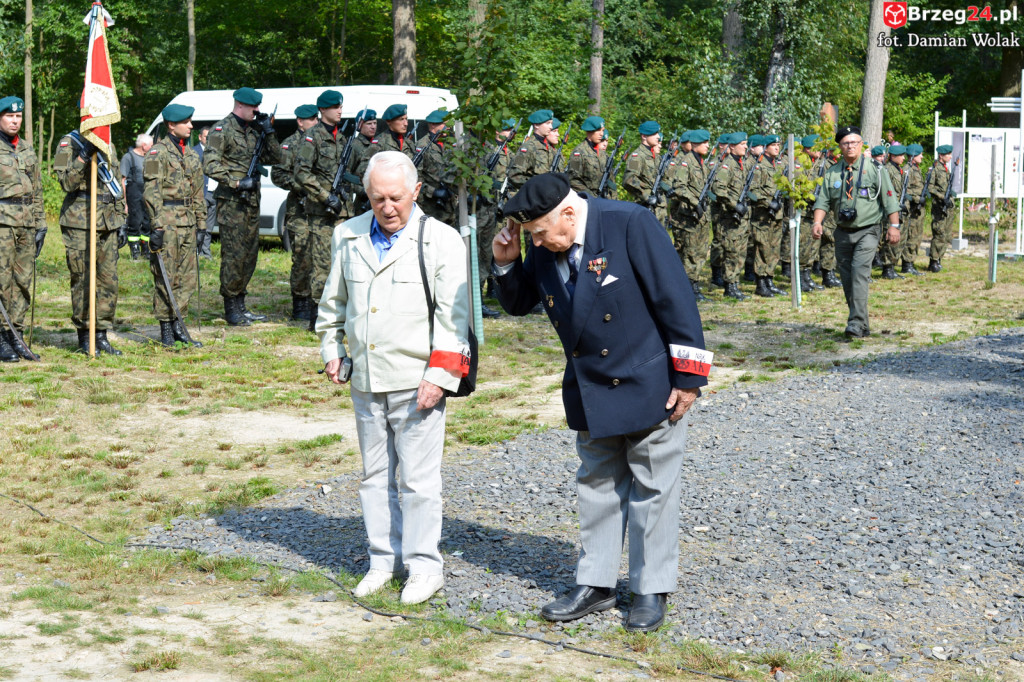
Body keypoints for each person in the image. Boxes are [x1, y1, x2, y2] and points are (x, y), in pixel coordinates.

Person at [491, 173, 710, 632]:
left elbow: (675, 298)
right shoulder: (545, 240)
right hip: (589, 384)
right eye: (531, 236)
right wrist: (507, 264)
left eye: (539, 234)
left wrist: (689, 379)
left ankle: (650, 587)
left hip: (648, 380)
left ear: (568, 214)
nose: (537, 242)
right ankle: (596, 583)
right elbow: (518, 303)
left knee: (653, 487)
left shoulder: (629, 223)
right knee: (596, 485)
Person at [316, 151, 470, 605]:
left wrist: (439, 377)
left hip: (416, 379)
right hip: (365, 378)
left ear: (416, 192)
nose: (388, 207)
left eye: (397, 198)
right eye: (378, 198)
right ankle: (382, 561)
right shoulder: (347, 235)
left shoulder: (440, 240)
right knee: (374, 477)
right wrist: (332, 351)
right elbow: (333, 304)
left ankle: (424, 567)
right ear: (367, 195)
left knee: (419, 482)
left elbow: (454, 318)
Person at [202, 86, 282, 326]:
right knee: (234, 255)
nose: (257, 111)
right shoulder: (222, 129)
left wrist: (268, 132)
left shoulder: (254, 131)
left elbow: (276, 158)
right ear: (240, 105)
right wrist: (236, 181)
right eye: (253, 107)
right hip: (232, 201)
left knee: (249, 255)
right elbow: (210, 163)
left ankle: (241, 303)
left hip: (252, 201)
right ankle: (231, 306)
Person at [811, 126, 900, 339]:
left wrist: (894, 226)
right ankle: (862, 324)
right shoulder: (832, 172)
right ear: (840, 147)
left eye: (854, 142)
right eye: (845, 143)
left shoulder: (876, 169)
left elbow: (889, 199)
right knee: (848, 278)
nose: (850, 146)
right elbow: (823, 200)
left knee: (860, 273)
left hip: (868, 230)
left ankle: (855, 322)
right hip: (841, 231)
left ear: (861, 145)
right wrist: (817, 222)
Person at [54, 128, 127, 355]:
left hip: (108, 220)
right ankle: (85, 335)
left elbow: (115, 184)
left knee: (108, 281)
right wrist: (82, 157)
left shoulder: (108, 144)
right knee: (83, 279)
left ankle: (101, 333)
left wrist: (121, 218)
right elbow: (66, 183)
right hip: (80, 220)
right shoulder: (68, 144)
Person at [143, 104, 206, 348]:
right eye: (186, 122)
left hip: (188, 222)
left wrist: (201, 226)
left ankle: (180, 324)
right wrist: (156, 227)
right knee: (166, 276)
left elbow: (198, 192)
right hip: (167, 221)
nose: (191, 126)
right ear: (171, 125)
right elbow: (151, 191)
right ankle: (166, 330)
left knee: (187, 278)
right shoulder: (157, 153)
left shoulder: (190, 154)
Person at [294, 89, 353, 332]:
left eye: (340, 106)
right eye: (335, 107)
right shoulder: (313, 137)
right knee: (321, 266)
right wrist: (324, 196)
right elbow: (301, 173)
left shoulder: (342, 138)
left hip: (343, 212)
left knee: (343, 262)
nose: (339, 110)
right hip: (321, 214)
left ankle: (340, 313)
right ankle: (317, 317)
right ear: (323, 110)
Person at [0, 95, 46, 362]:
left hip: (27, 224)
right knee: (1, 282)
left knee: (22, 281)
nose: (15, 120)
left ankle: (15, 335)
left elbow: (37, 190)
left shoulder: (28, 149)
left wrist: (40, 223)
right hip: (3, 223)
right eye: (9, 116)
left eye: (18, 116)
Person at [271, 104, 319, 321]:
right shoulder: (289, 145)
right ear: (300, 122)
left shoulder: (319, 141)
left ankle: (315, 301)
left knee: (319, 256)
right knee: (301, 255)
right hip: (299, 209)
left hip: (319, 208)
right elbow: (278, 175)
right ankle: (300, 302)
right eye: (311, 119)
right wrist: (299, 186)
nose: (315, 122)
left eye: (317, 118)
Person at [669, 129, 712, 302]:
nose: (708, 145)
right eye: (704, 143)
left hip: (699, 216)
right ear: (694, 144)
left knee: (700, 253)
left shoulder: (701, 163)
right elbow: (678, 188)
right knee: (689, 253)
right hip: (687, 217)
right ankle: (688, 288)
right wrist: (695, 202)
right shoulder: (686, 163)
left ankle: (693, 284)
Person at [711, 132, 751, 299]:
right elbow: (718, 189)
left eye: (746, 143)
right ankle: (729, 285)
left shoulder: (741, 164)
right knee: (732, 252)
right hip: (730, 217)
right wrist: (734, 204)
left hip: (742, 217)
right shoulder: (727, 165)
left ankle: (735, 284)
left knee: (741, 252)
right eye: (742, 144)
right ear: (732, 146)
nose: (746, 147)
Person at [749, 134, 786, 296]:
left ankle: (769, 279)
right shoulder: (759, 166)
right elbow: (753, 191)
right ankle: (760, 282)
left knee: (773, 249)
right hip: (763, 215)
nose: (777, 148)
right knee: (763, 248)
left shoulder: (777, 166)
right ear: (765, 147)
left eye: (778, 145)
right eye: (773, 145)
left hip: (777, 215)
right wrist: (768, 202)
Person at [414, 109, 456, 226]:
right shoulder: (423, 145)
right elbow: (416, 177)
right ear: (433, 124)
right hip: (431, 206)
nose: (448, 127)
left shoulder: (450, 144)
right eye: (444, 123)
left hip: (451, 204)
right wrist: (434, 192)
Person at [623, 121, 667, 225]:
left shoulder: (657, 157)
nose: (658, 137)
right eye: (654, 134)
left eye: (658, 133)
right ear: (644, 136)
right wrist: (646, 196)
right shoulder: (637, 156)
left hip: (660, 208)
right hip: (646, 207)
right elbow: (629, 180)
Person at [506, 109, 557, 195]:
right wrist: (536, 186)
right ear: (536, 125)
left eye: (551, 123)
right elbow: (514, 175)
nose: (551, 127)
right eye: (548, 123)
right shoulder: (526, 148)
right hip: (534, 198)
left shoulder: (550, 149)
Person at [120, 133, 153, 260]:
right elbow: (122, 180)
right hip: (134, 194)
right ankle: (134, 249)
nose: (152, 147)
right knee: (135, 222)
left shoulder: (149, 158)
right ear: (143, 145)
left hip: (147, 194)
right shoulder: (128, 157)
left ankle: (146, 249)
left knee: (147, 222)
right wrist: (124, 202)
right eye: (150, 145)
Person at [879, 144, 910, 280]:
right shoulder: (887, 170)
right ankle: (887, 268)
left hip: (898, 209)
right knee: (889, 240)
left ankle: (891, 266)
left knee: (897, 240)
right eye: (901, 155)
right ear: (893, 156)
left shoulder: (899, 170)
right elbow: (886, 191)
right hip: (890, 211)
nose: (904, 158)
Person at [927, 144, 955, 272]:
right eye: (948, 154)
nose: (950, 156)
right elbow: (930, 188)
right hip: (939, 206)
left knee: (946, 234)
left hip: (947, 206)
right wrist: (942, 197)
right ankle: (933, 261)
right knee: (939, 233)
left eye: (950, 154)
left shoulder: (945, 169)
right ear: (941, 156)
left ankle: (939, 259)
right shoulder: (935, 169)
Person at [349, 108, 380, 213]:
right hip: (362, 203)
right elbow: (346, 176)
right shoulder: (354, 146)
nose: (373, 126)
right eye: (369, 123)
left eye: (375, 123)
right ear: (360, 125)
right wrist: (363, 191)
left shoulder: (379, 144)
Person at [567, 116, 606, 196]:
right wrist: (593, 197)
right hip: (585, 200)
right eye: (598, 130)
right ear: (589, 131)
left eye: (602, 130)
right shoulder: (578, 152)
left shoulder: (604, 154)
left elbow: (610, 180)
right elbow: (573, 180)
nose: (601, 134)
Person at [902, 143, 926, 275]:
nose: (922, 156)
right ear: (913, 156)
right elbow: (905, 188)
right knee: (911, 236)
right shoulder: (908, 169)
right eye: (919, 154)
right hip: (911, 209)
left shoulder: (915, 168)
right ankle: (907, 264)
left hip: (918, 209)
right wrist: (917, 198)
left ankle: (911, 262)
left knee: (916, 236)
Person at [193, 126, 215, 259]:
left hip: (214, 193)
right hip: (202, 193)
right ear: (200, 137)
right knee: (199, 224)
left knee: (209, 227)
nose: (209, 140)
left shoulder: (215, 151)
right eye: (207, 137)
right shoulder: (194, 152)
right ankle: (197, 251)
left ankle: (205, 252)